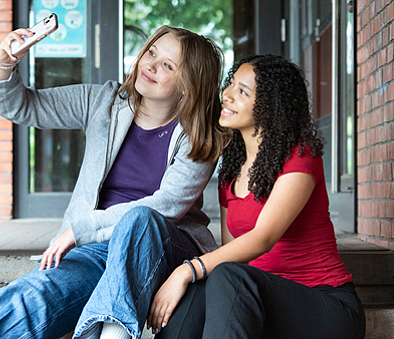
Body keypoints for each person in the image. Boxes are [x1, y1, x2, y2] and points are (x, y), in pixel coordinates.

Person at [0, 25, 226, 339]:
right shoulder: (102, 101)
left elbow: (167, 206)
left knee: (139, 220)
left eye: (168, 65)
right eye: (151, 52)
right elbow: (20, 105)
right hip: (96, 250)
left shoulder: (199, 134)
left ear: (189, 85)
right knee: (30, 298)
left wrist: (81, 228)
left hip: (164, 249)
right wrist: (5, 61)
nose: (151, 65)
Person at [147, 54, 366, 339]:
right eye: (231, 84)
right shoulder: (231, 172)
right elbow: (234, 254)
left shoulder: (300, 156)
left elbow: (263, 238)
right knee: (204, 285)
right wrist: (191, 278)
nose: (226, 95)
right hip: (260, 301)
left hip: (325, 308)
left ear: (270, 106)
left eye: (242, 91)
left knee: (218, 275)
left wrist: (184, 271)